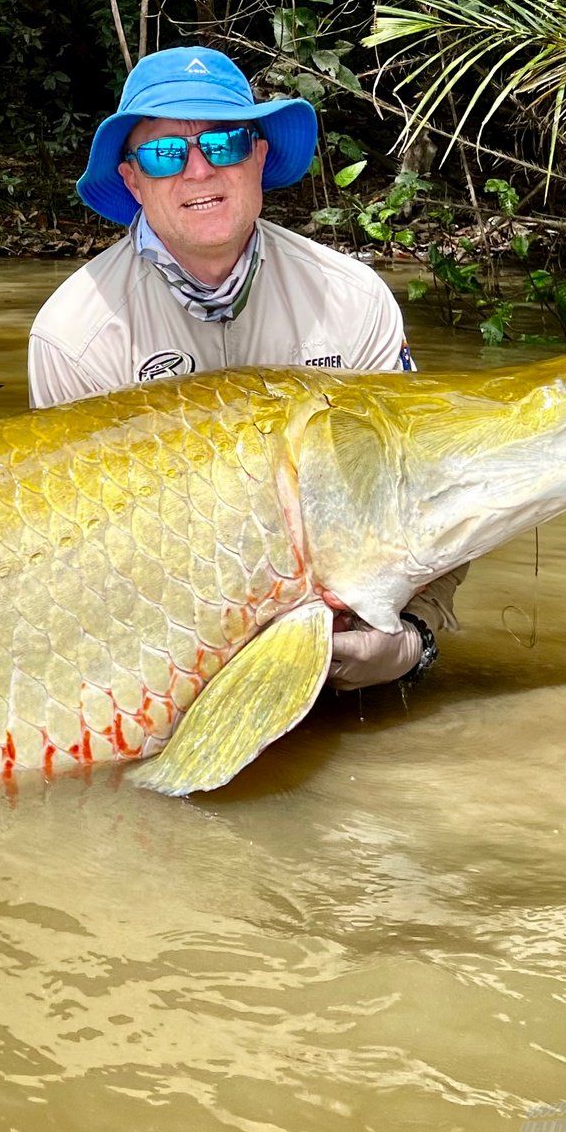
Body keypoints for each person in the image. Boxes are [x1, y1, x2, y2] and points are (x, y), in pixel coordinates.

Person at [29, 45, 458, 691]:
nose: (199, 170)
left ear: (258, 158)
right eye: (165, 153)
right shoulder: (74, 338)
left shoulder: (352, 297)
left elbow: (419, 493)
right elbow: (72, 550)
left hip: (341, 622)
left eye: (224, 144)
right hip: (168, 649)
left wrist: (412, 638)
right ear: (132, 180)